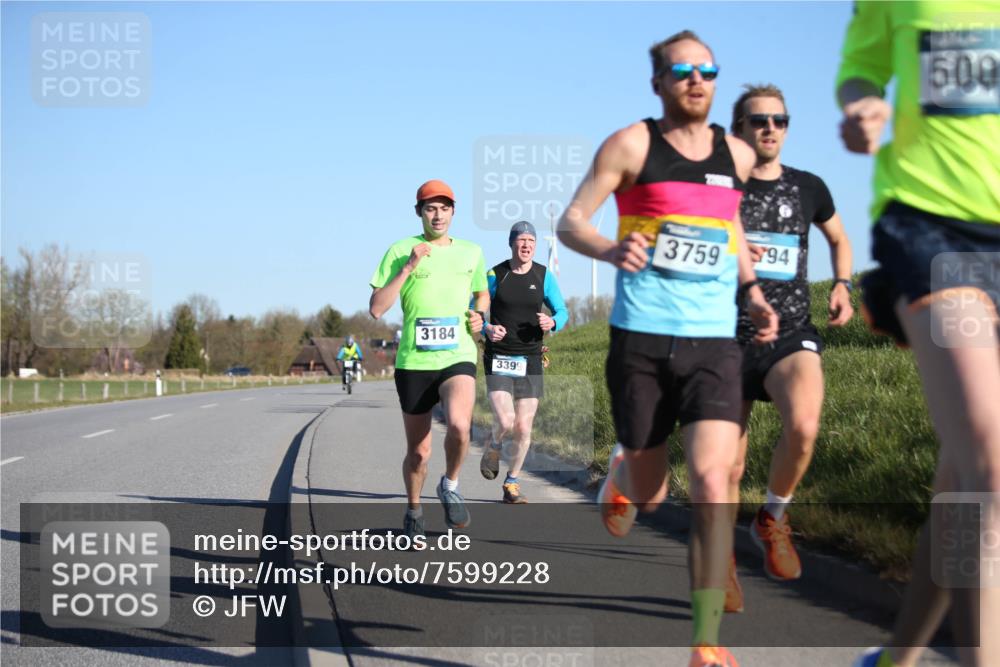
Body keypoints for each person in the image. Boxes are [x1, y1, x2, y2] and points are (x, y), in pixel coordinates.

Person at [557, 30, 778, 667]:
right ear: (658, 82)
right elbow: (572, 219)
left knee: (712, 482)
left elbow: (728, 225)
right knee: (653, 495)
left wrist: (753, 291)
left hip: (714, 344)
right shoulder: (631, 144)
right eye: (683, 70)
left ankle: (705, 644)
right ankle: (624, 475)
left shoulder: (735, 153)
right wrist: (607, 248)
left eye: (708, 70)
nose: (697, 79)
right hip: (642, 342)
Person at [834, 2, 1000, 666]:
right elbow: (861, 68)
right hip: (932, 224)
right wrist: (864, 107)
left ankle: (900, 654)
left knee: (964, 474)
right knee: (989, 456)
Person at [723, 83, 855, 612]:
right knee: (727, 468)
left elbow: (840, 238)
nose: (770, 128)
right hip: (725, 336)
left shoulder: (809, 187)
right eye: (759, 120)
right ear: (739, 129)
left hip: (790, 331)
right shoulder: (719, 189)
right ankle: (721, 563)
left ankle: (773, 516)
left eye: (780, 120)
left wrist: (844, 283)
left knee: (803, 426)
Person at [369, 180, 489, 541]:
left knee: (460, 427)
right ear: (419, 212)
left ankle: (450, 485)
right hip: (414, 363)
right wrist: (407, 268)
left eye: (444, 207)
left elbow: (482, 295)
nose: (437, 214)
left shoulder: (471, 252)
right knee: (419, 452)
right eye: (430, 208)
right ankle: (414, 508)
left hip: (458, 355)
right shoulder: (400, 250)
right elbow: (376, 308)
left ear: (453, 212)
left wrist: (479, 315)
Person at [479, 221, 569, 504]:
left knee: (524, 427)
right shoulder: (495, 274)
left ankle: (512, 482)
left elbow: (562, 310)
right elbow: (475, 311)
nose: (527, 244)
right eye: (522, 240)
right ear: (511, 243)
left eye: (531, 240)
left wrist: (553, 321)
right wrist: (486, 328)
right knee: (505, 420)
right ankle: (494, 443)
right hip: (499, 356)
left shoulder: (544, 276)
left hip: (530, 357)